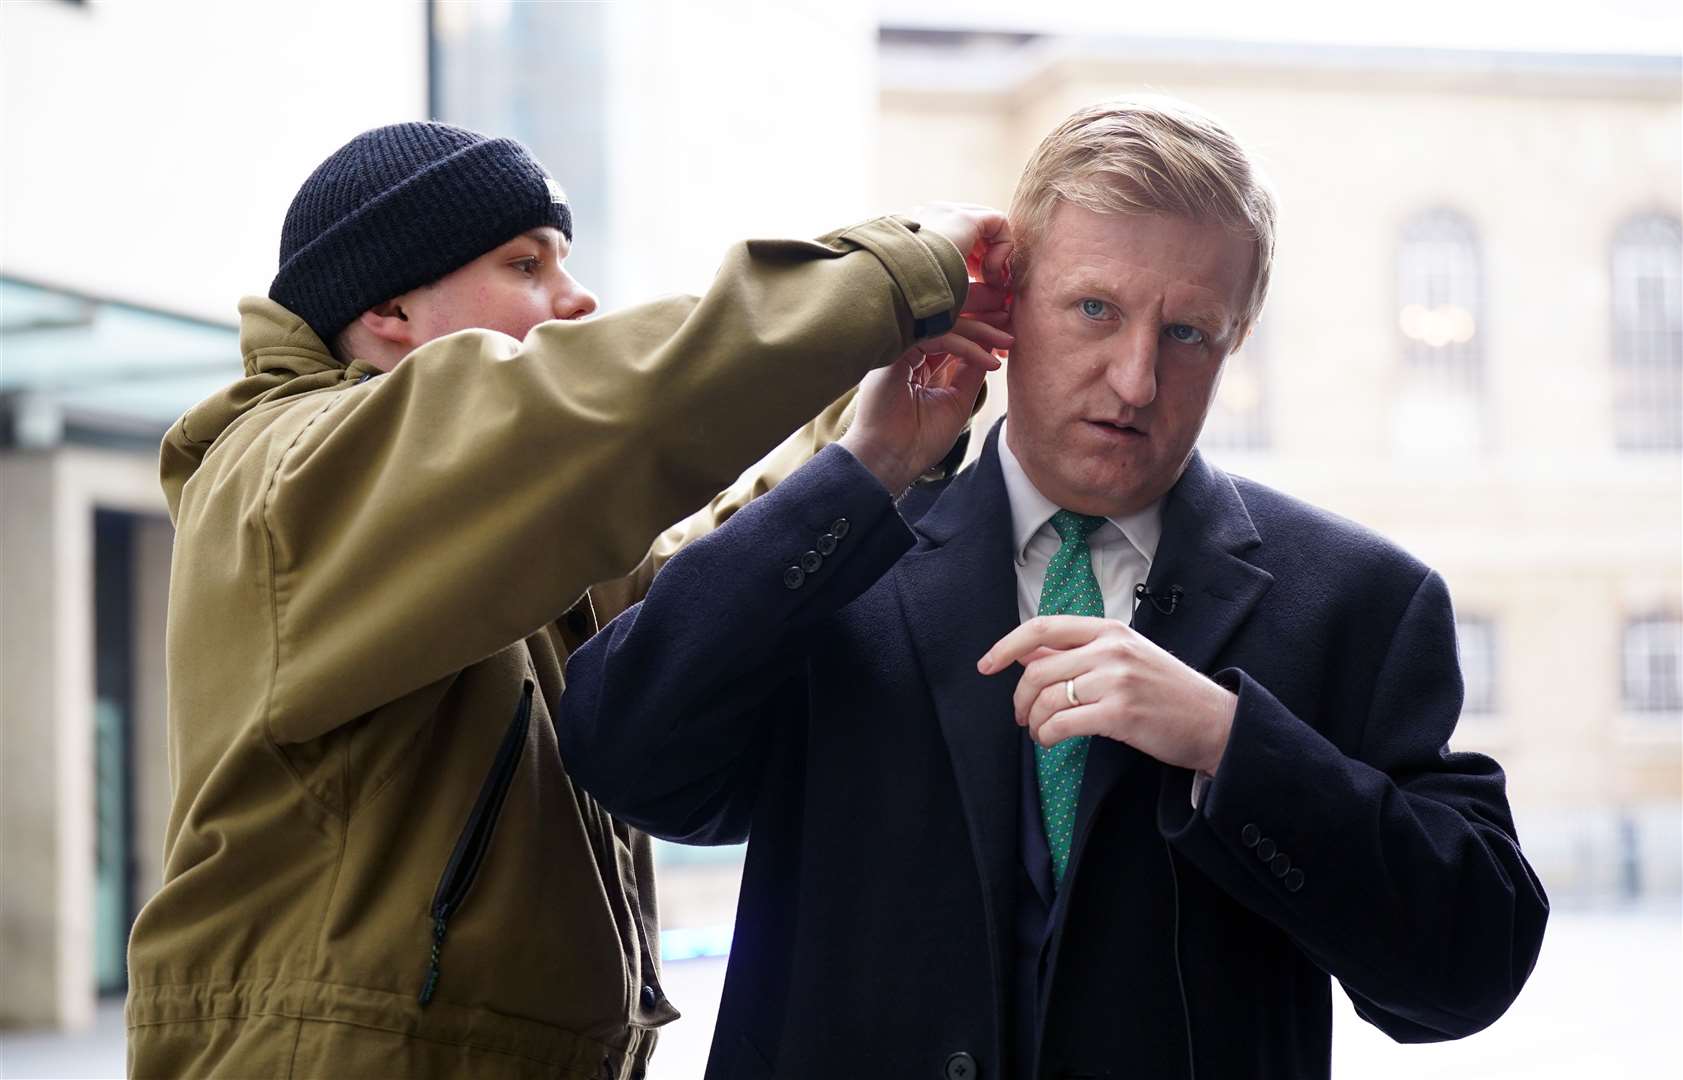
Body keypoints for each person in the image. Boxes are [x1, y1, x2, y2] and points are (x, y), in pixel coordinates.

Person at [555, 97, 1549, 1079]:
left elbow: (1468, 971)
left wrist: (1229, 743)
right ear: (1005, 304)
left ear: (1237, 338)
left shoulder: (1357, 601)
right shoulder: (846, 547)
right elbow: (625, 754)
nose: (1134, 380)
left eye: (1188, 334)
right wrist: (863, 470)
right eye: (1094, 310)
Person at [123, 120, 1013, 1079]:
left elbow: (693, 606)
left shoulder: (486, 528)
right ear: (387, 306)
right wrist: (887, 275)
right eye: (524, 263)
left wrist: (870, 452)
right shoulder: (289, 475)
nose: (576, 297)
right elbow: (596, 410)